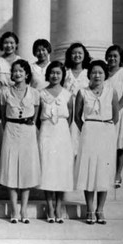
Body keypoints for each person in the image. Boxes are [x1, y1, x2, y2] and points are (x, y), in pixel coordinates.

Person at [74, 60, 119, 225]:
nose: (97, 75)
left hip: (106, 132)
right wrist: (88, 128)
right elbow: (77, 117)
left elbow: (116, 116)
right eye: (94, 72)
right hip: (89, 133)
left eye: (100, 72)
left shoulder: (111, 92)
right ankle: (90, 209)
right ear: (89, 74)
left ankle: (100, 209)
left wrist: (105, 128)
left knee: (103, 172)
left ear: (105, 74)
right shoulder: (82, 92)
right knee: (89, 171)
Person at [0, 59, 40, 224]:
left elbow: (36, 113)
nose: (17, 74)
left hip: (28, 132)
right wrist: (10, 125)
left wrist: (29, 125)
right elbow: (2, 115)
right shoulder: (5, 92)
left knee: (26, 168)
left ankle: (23, 208)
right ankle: (14, 209)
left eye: (20, 71)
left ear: (27, 74)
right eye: (14, 71)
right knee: (11, 167)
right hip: (11, 130)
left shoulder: (34, 93)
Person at [37, 61, 74, 224]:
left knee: (61, 169)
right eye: (52, 73)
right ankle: (50, 206)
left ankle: (59, 205)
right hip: (46, 131)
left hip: (62, 132)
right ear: (48, 74)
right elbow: (37, 117)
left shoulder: (68, 94)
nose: (55, 76)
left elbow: (71, 116)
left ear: (62, 75)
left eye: (58, 73)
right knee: (47, 168)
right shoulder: (41, 93)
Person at [105, 45, 123, 189]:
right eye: (110, 56)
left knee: (120, 145)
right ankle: (107, 172)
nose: (112, 58)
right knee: (107, 144)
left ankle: (117, 174)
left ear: (120, 58)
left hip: (120, 112)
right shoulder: (103, 73)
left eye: (115, 56)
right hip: (105, 112)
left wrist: (116, 109)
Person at [63, 42, 92, 155]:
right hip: (68, 111)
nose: (77, 55)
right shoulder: (65, 73)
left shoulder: (88, 73)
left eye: (80, 53)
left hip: (82, 111)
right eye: (74, 53)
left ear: (84, 55)